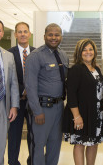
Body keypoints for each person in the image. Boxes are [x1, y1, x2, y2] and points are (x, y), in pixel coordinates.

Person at [24, 23, 69, 165]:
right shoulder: (35, 56)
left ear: (61, 36)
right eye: (50, 34)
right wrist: (37, 111)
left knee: (55, 145)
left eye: (57, 35)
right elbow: (30, 86)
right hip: (42, 108)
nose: (54, 38)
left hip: (59, 107)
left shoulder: (63, 54)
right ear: (44, 36)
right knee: (38, 146)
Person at [63, 39, 103, 165]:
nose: (88, 52)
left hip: (96, 113)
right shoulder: (76, 69)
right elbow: (71, 95)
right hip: (81, 113)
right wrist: (77, 116)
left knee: (93, 143)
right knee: (80, 143)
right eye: (84, 49)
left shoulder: (96, 69)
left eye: (90, 49)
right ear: (79, 52)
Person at [0, 18, 19, 165]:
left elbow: (13, 83)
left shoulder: (8, 56)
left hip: (3, 106)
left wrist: (14, 106)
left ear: (2, 33)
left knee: (0, 147)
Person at [8, 22, 35, 165]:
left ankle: (32, 161)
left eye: (25, 31)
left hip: (33, 103)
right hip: (15, 103)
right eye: (20, 31)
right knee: (14, 136)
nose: (23, 34)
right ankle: (13, 162)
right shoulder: (8, 54)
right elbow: (7, 79)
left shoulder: (37, 53)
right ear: (15, 34)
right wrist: (23, 90)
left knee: (33, 135)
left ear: (30, 34)